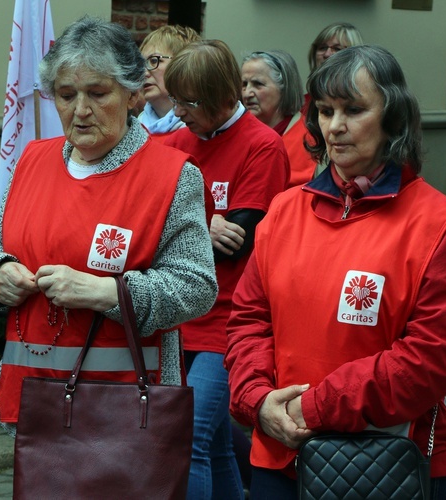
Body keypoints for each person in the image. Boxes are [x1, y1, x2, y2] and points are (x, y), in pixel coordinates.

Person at [225, 45, 446, 500]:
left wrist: (311, 407)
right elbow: (249, 319)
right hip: (279, 454)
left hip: (385, 461)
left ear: (394, 118)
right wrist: (257, 399)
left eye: (354, 109)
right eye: (325, 111)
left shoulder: (442, 223)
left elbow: (433, 358)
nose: (335, 127)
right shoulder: (285, 211)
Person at [0, 15, 218, 483]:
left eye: (97, 93)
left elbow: (197, 287)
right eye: (67, 95)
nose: (80, 109)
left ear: (133, 95)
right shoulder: (33, 161)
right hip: (36, 394)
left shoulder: (171, 175)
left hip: (123, 402)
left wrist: (105, 293)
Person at [163, 39, 289, 499]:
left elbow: (241, 240)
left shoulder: (262, 146)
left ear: (221, 97)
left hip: (229, 320)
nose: (177, 112)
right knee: (214, 447)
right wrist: (202, 224)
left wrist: (183, 223)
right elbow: (148, 228)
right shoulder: (174, 143)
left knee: (187, 436)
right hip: (178, 315)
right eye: (174, 99)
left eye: (188, 102)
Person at [241, 50, 316, 187]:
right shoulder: (236, 133)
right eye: (244, 84)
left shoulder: (310, 136)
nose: (247, 93)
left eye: (258, 84)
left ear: (284, 87)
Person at [138, 25, 201, 141]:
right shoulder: (133, 131)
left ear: (183, 64)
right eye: (141, 64)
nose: (144, 72)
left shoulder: (199, 131)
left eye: (154, 61)